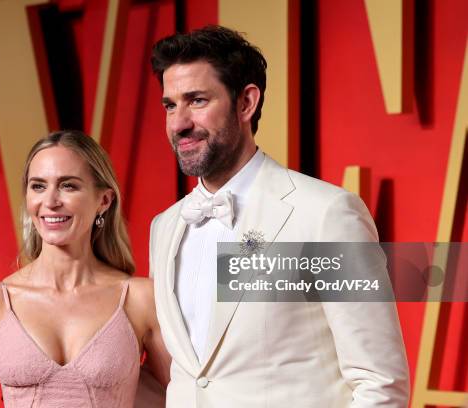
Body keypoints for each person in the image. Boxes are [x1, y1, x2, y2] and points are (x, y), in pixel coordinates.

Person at [148, 25, 410, 407]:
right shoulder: (165, 227)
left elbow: (380, 381)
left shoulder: (326, 213)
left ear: (246, 103)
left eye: (197, 100)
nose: (178, 123)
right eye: (170, 105)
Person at [0, 130, 170, 407]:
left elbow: (187, 396)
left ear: (103, 201)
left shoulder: (140, 299)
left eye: (68, 186)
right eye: (38, 186)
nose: (50, 201)